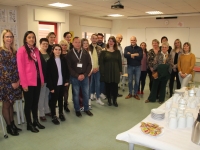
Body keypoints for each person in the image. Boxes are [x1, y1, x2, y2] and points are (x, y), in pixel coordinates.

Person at [17, 31, 45, 133]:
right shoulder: (22, 50)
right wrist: (24, 84)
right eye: (29, 37)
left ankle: (35, 121)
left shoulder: (36, 50)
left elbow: (39, 67)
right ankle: (29, 124)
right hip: (28, 82)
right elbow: (21, 69)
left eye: (33, 37)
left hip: (37, 80)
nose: (31, 39)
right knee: (28, 104)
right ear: (25, 39)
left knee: (35, 102)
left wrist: (41, 79)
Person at [0, 29, 22, 136]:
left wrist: (18, 80)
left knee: (11, 103)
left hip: (16, 81)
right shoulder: (1, 51)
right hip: (6, 83)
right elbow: (3, 70)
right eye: (7, 37)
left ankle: (12, 124)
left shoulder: (14, 51)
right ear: (3, 38)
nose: (9, 39)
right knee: (6, 104)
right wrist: (11, 82)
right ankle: (9, 126)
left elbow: (17, 67)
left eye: (11, 37)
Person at [66, 37, 93, 117]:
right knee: (76, 94)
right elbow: (69, 67)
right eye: (76, 42)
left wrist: (84, 75)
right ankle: (77, 109)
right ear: (73, 43)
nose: (77, 44)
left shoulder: (85, 52)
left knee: (86, 93)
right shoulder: (69, 54)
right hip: (75, 77)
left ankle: (86, 109)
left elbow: (89, 64)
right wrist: (77, 75)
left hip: (85, 76)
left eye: (79, 42)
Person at [46, 44, 69, 125]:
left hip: (62, 84)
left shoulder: (63, 60)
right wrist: (51, 87)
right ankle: (53, 115)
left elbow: (66, 71)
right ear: (53, 50)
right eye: (56, 49)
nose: (58, 51)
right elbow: (48, 75)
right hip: (54, 85)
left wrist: (66, 80)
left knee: (60, 99)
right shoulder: (50, 61)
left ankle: (61, 113)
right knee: (53, 101)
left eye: (59, 49)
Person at [99, 36, 122, 107]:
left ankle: (114, 100)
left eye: (112, 41)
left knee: (115, 86)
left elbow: (119, 62)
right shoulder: (103, 52)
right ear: (108, 42)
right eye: (110, 41)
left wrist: (120, 71)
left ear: (114, 43)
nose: (111, 42)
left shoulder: (117, 52)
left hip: (115, 71)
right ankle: (109, 100)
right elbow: (101, 63)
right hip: (107, 71)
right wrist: (102, 72)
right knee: (108, 87)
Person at [88, 34, 104, 105]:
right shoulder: (87, 48)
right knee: (90, 84)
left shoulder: (100, 48)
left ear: (97, 39)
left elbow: (102, 60)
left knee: (98, 84)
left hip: (98, 69)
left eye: (96, 38)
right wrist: (91, 68)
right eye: (93, 38)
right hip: (90, 70)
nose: (94, 40)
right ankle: (90, 95)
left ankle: (98, 98)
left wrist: (98, 67)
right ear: (91, 39)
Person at [38, 38, 51, 121]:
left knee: (46, 95)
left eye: (46, 44)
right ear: (40, 44)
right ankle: (41, 113)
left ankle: (47, 110)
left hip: (48, 78)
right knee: (41, 96)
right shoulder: (38, 54)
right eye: (43, 44)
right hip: (42, 79)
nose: (45, 45)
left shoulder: (49, 54)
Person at [80, 38, 93, 110]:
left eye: (87, 43)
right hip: (82, 74)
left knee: (88, 89)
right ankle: (81, 104)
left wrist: (90, 72)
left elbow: (91, 63)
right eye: (84, 43)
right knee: (82, 90)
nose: (85, 44)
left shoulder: (89, 52)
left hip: (89, 74)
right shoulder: (80, 52)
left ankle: (88, 104)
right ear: (81, 44)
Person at [60, 39, 70, 112]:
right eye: (62, 45)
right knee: (60, 91)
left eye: (65, 45)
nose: (64, 46)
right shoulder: (57, 54)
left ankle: (65, 104)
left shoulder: (70, 54)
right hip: (59, 76)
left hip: (67, 75)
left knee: (66, 90)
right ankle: (60, 105)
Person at [97, 33, 106, 99]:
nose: (100, 39)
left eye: (101, 38)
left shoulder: (105, 46)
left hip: (103, 66)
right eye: (98, 38)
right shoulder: (93, 46)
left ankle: (102, 93)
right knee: (95, 80)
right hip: (95, 66)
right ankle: (95, 93)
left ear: (103, 38)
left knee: (102, 80)